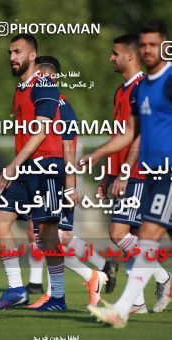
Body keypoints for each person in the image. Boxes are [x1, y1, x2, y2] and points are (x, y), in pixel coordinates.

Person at [83, 19, 172, 327]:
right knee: (137, 236)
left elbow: (139, 137)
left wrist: (123, 173)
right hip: (137, 173)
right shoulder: (130, 91)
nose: (111, 57)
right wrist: (106, 170)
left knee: (123, 234)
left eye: (114, 52)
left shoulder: (152, 86)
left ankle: (152, 287)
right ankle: (133, 305)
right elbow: (125, 134)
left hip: (148, 174)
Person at [26, 56, 114, 309]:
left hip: (58, 179)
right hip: (43, 178)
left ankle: (91, 275)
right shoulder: (42, 104)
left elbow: (68, 152)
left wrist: (70, 187)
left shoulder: (61, 108)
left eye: (37, 76)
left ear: (47, 76)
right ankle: (77, 282)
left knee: (52, 236)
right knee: (48, 237)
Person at [0, 34, 67, 311]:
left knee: (46, 234)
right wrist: (17, 166)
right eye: (10, 52)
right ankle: (16, 290)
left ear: (32, 56)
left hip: (45, 167)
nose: (12, 57)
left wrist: (12, 165)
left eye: (18, 52)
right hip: (25, 167)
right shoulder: (20, 89)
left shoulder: (43, 84)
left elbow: (42, 130)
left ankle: (57, 297)